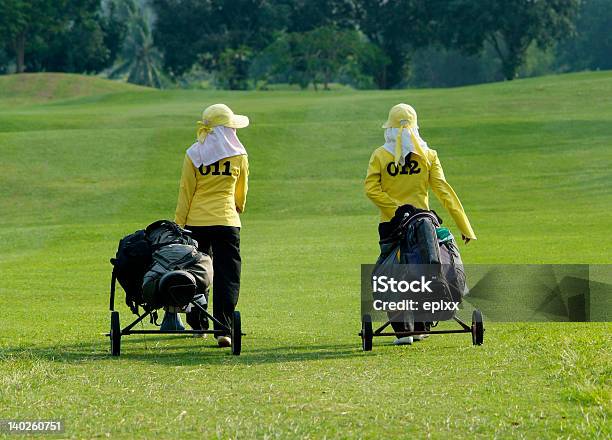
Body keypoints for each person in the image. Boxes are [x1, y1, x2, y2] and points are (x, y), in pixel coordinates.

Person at [364, 103, 476, 345]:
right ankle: (423, 324)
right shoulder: (429, 155)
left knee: (391, 270)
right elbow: (443, 191)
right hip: (424, 224)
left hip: (391, 226)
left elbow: (371, 189)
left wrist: (396, 210)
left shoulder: (380, 156)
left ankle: (403, 328)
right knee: (423, 264)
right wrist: (464, 226)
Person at [171, 103, 250, 348]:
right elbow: (242, 191)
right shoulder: (239, 155)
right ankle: (223, 328)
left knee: (197, 272)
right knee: (228, 275)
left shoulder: (193, 154)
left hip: (196, 222)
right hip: (227, 221)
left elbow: (186, 191)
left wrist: (178, 223)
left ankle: (198, 323)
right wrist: (239, 207)